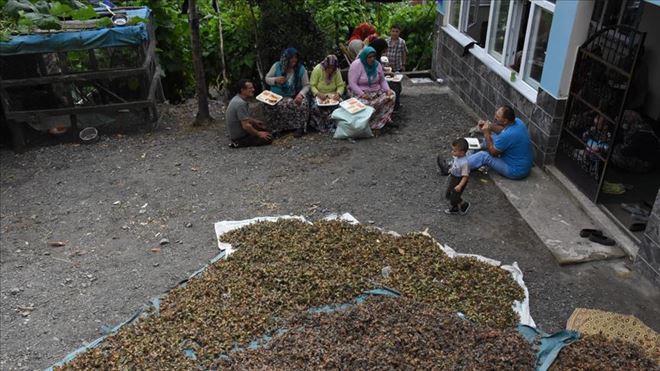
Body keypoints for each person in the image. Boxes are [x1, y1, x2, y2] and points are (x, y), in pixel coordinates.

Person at [445, 106, 533, 179]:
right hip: (522, 163)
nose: (495, 118)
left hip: (515, 170)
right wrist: (489, 126)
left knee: (484, 155)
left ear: (505, 120)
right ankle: (460, 161)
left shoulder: (508, 135)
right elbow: (502, 130)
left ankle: (453, 168)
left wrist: (486, 133)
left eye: (498, 117)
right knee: (484, 142)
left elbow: (493, 153)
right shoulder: (517, 121)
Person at [264, 47, 310, 137]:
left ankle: (300, 128)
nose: (294, 60)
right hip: (276, 95)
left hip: (293, 95)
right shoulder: (277, 66)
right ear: (286, 58)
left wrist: (301, 94)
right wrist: (276, 80)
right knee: (268, 104)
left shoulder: (301, 69)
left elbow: (307, 85)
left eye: (295, 57)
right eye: (292, 58)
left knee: (303, 103)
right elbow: (267, 79)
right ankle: (277, 129)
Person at [348, 46, 395, 130]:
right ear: (364, 57)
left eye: (374, 56)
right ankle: (369, 123)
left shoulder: (377, 65)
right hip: (361, 92)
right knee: (365, 104)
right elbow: (352, 83)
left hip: (376, 91)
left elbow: (382, 81)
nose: (372, 59)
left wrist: (388, 90)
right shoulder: (356, 65)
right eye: (369, 57)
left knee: (392, 96)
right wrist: (362, 94)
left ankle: (380, 121)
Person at [226, 79, 272, 148]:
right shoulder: (240, 103)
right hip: (240, 136)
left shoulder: (236, 98)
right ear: (242, 90)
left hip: (238, 132)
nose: (253, 90)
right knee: (268, 138)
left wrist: (255, 122)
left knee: (264, 129)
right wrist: (259, 134)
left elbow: (244, 117)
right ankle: (239, 143)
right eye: (250, 88)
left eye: (252, 88)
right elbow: (246, 126)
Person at [309, 54, 346, 133]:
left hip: (333, 94)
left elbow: (340, 85)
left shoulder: (336, 71)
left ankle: (336, 126)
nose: (330, 69)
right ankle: (321, 126)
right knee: (316, 107)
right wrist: (318, 94)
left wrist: (338, 94)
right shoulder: (317, 69)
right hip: (320, 94)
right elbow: (312, 86)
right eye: (329, 67)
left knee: (342, 105)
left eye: (332, 68)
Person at [371, 37, 402, 111]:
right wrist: (386, 73)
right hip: (371, 83)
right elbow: (374, 73)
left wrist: (383, 70)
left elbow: (377, 68)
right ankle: (394, 107)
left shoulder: (375, 55)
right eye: (383, 51)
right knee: (394, 85)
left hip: (377, 80)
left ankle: (394, 106)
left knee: (396, 84)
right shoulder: (370, 56)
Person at [444, 138, 471, 215]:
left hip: (459, 180)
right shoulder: (457, 157)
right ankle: (454, 207)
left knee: (455, 196)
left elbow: (465, 176)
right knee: (450, 192)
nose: (452, 152)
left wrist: (460, 185)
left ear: (462, 153)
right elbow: (455, 164)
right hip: (454, 177)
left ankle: (464, 204)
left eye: (454, 151)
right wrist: (451, 169)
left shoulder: (464, 163)